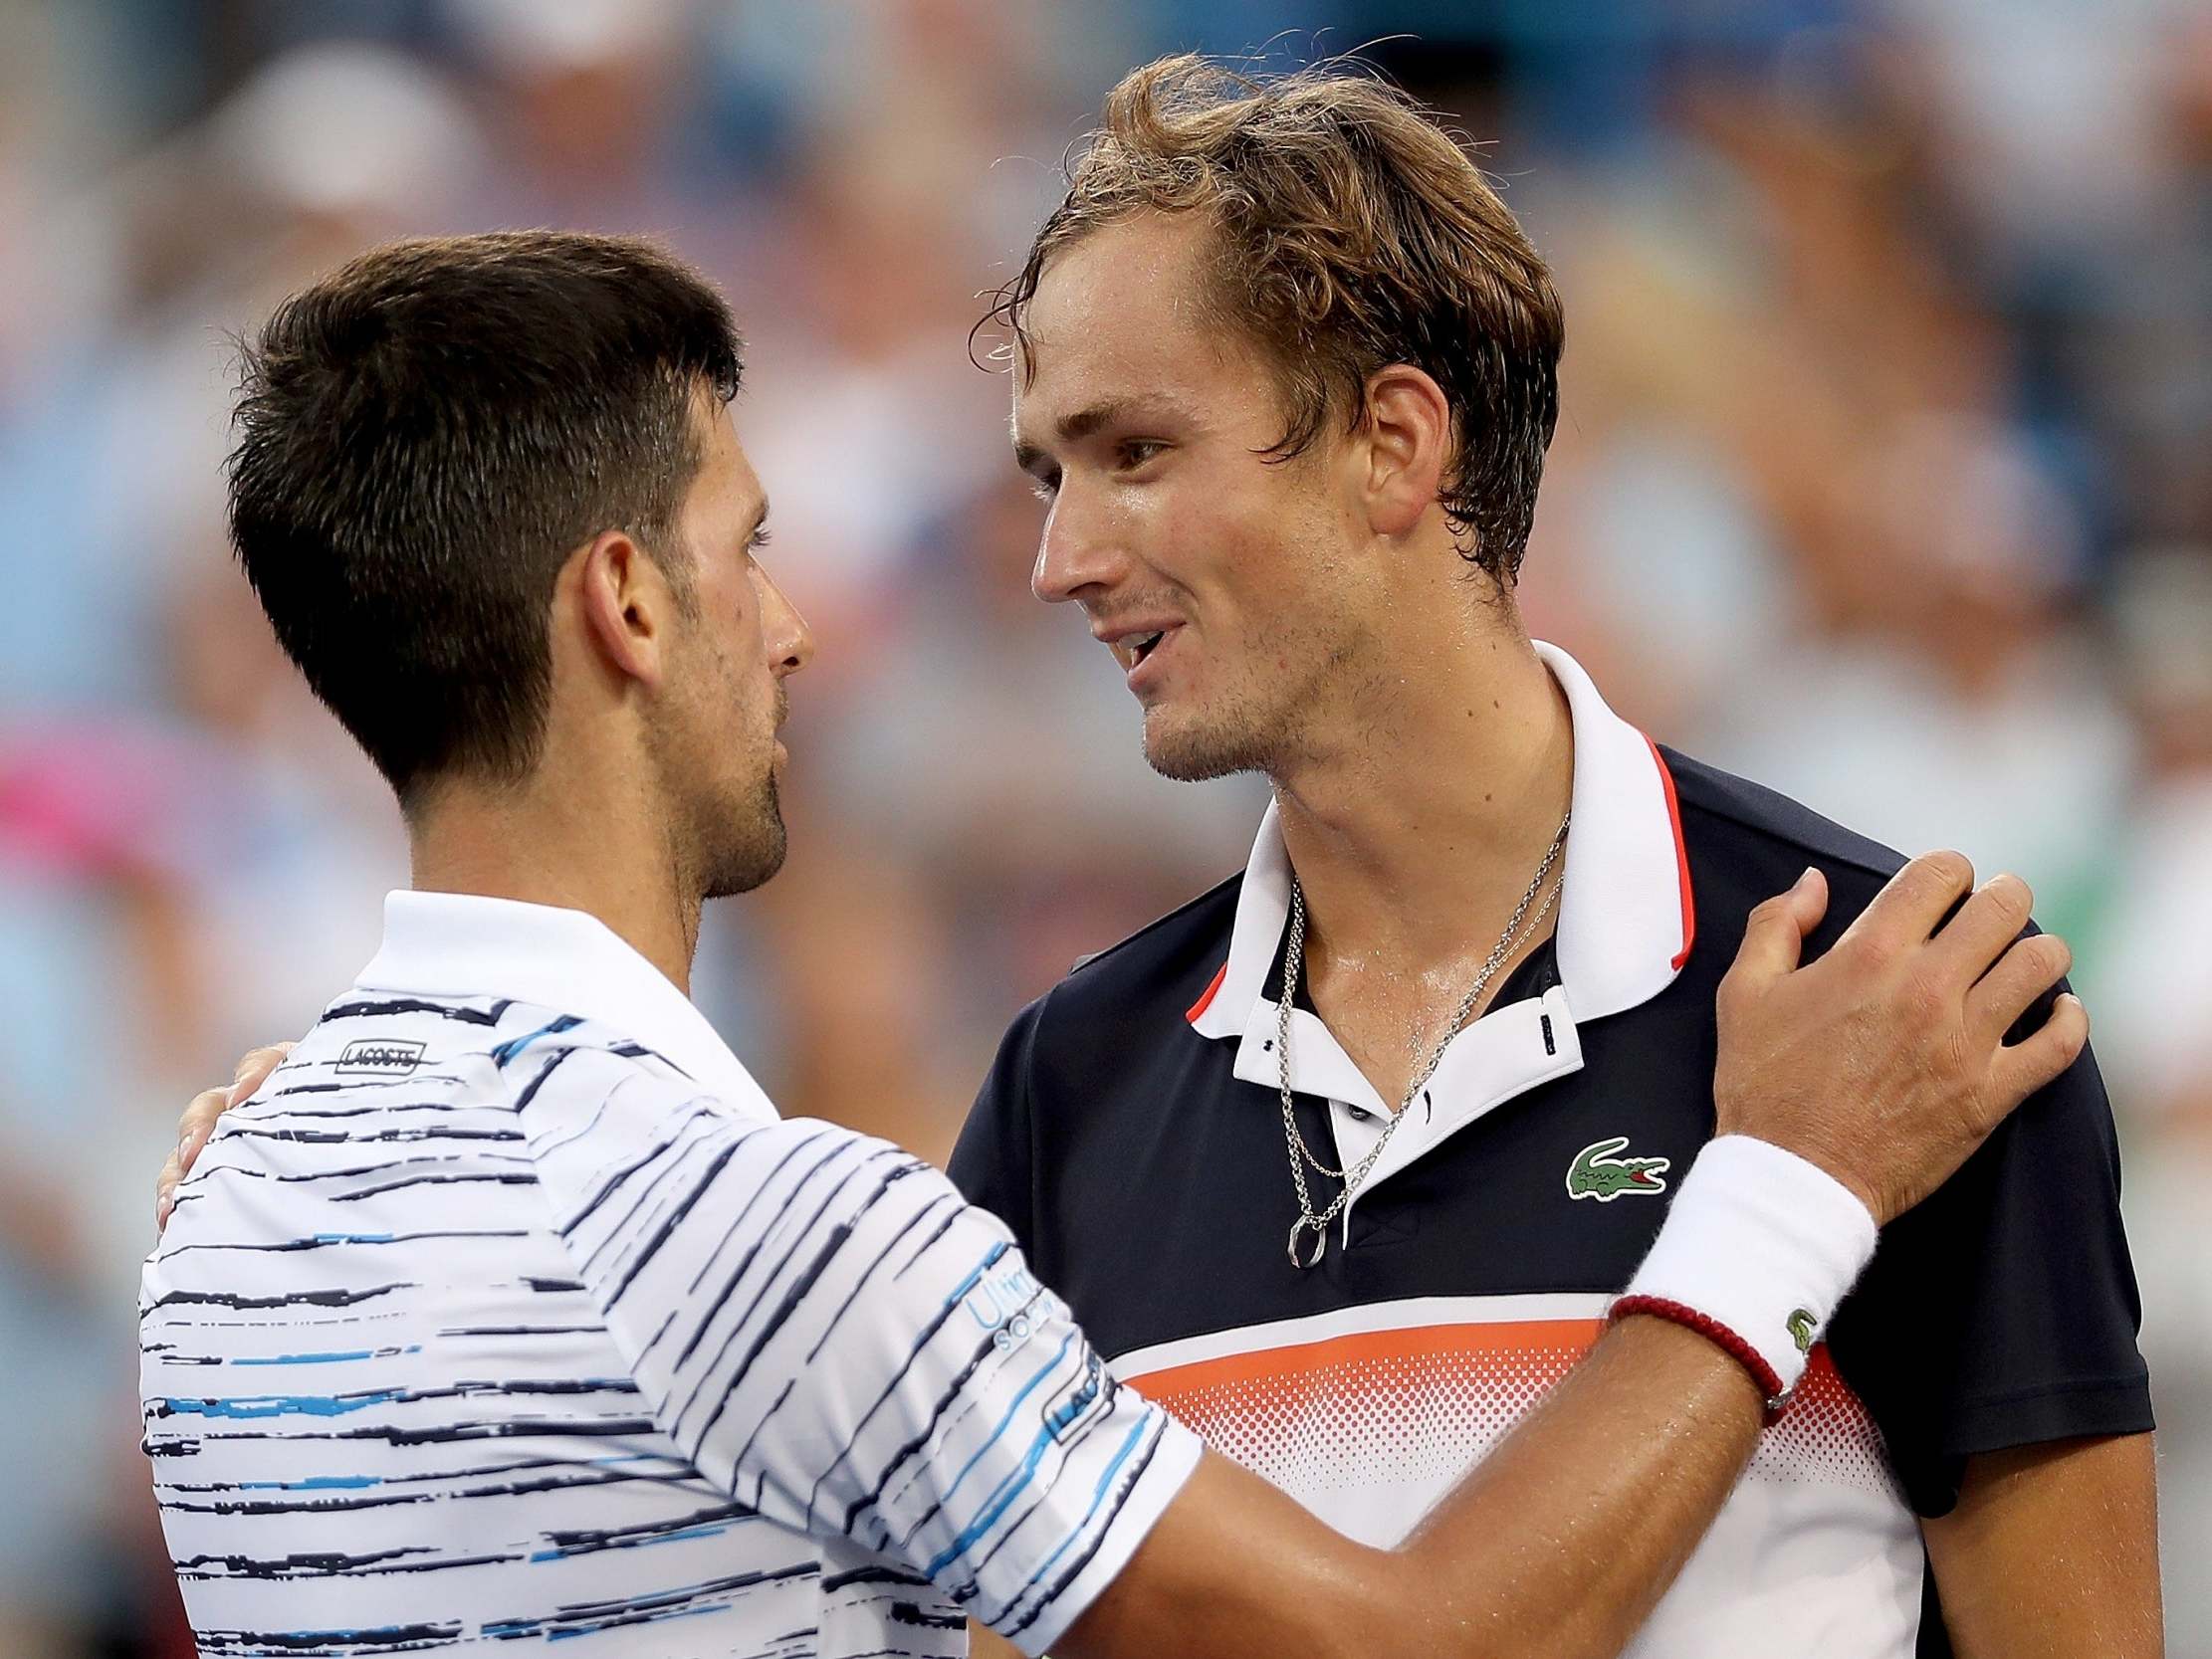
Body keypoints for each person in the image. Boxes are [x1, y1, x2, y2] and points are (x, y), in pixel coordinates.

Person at [140, 230, 2082, 1659]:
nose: (798, 625)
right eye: (746, 547)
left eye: (1127, 454)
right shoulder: (797, 1227)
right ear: (629, 603)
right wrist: (1790, 1190)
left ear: (1400, 455)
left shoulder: (222, 1221)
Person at [947, 56, 2159, 1659]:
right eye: (1049, 473)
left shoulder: (1904, 1002)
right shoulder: (1064, 1087)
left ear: (1392, 443)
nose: (1058, 561)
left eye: (1133, 453)